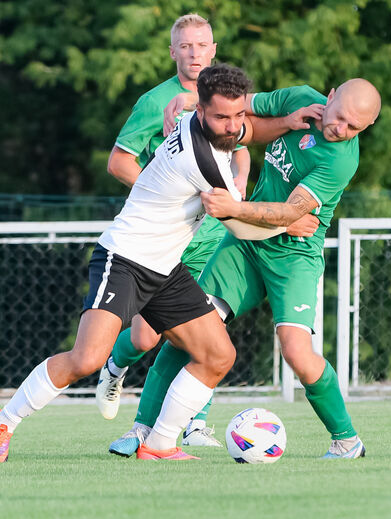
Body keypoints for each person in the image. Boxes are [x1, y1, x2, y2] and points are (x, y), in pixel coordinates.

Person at [0, 63, 323, 463]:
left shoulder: (207, 124)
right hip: (124, 258)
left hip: (165, 269)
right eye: (221, 118)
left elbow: (245, 127)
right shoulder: (204, 162)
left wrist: (283, 121)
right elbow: (243, 226)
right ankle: (3, 421)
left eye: (237, 116)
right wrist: (289, 221)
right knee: (87, 358)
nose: (232, 127)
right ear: (200, 113)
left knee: (217, 355)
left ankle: (159, 445)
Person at [114, 78, 382, 460]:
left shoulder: (341, 159)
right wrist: (190, 100)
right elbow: (243, 106)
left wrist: (235, 207)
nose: (341, 129)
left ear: (366, 127)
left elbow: (292, 213)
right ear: (332, 94)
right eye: (339, 117)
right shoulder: (300, 98)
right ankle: (142, 432)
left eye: (354, 127)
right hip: (245, 246)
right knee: (188, 329)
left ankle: (346, 441)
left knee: (297, 354)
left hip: (295, 256)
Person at [97, 13, 318, 448]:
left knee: (208, 330)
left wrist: (246, 173)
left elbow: (241, 141)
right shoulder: (156, 101)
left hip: (213, 235)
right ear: (173, 51)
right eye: (186, 46)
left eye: (202, 45)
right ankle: (114, 367)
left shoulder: (226, 94)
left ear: (213, 49)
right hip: (165, 240)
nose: (195, 53)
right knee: (144, 336)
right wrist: (166, 192)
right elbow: (119, 161)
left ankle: (191, 424)